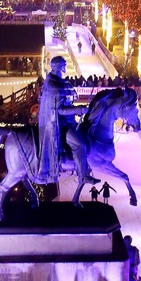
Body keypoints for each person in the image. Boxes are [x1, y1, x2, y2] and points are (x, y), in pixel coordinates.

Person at [35, 56, 95, 185]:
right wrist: (78, 110)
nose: (66, 66)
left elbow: (69, 100)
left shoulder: (62, 82)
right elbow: (60, 110)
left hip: (70, 121)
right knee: (81, 144)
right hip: (61, 124)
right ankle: (83, 175)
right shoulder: (53, 85)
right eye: (65, 64)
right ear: (60, 67)